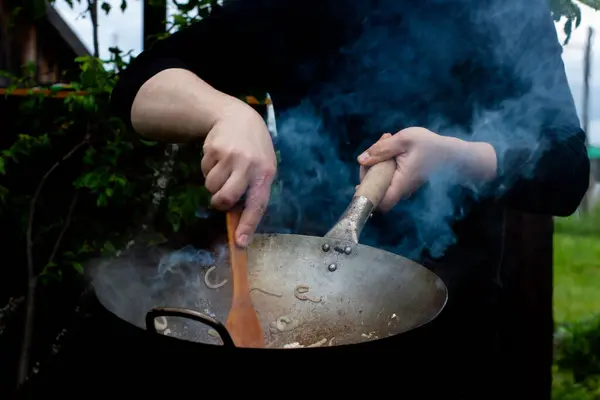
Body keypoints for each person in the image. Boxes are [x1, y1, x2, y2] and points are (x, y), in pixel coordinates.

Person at [110, 0, 589, 396]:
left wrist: (455, 157)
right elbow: (139, 83)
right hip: (307, 315)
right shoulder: (291, 10)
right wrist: (226, 114)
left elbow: (568, 171)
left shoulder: (505, 10)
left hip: (452, 340)